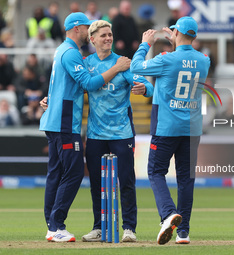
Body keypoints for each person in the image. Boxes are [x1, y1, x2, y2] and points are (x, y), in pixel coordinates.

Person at [39, 12, 131, 242]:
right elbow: (89, 83)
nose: (88, 31)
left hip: (57, 118)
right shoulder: (71, 53)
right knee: (74, 173)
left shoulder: (62, 50)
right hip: (64, 121)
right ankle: (56, 225)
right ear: (77, 28)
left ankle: (52, 224)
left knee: (56, 174)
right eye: (87, 27)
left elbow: (60, 85)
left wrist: (49, 99)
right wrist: (116, 68)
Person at [130, 16, 210, 245]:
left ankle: (167, 214)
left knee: (155, 172)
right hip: (192, 128)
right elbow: (170, 78)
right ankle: (183, 233)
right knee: (186, 179)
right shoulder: (205, 60)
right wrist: (177, 39)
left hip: (167, 127)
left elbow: (136, 66)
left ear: (176, 34)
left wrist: (146, 43)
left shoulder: (165, 59)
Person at [80, 20, 154, 243]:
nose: (108, 38)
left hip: (121, 132)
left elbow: (148, 86)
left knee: (126, 181)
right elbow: (79, 85)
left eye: (110, 34)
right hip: (94, 133)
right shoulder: (86, 63)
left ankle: (129, 228)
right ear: (92, 39)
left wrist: (144, 89)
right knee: (96, 182)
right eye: (103, 35)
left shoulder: (124, 63)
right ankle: (99, 227)